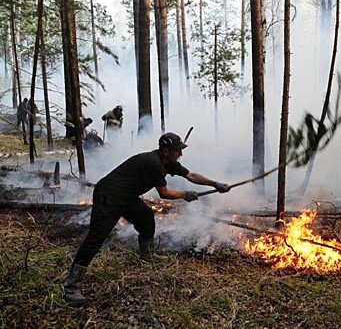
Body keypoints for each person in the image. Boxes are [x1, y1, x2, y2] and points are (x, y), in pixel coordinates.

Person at [63, 132, 230, 307]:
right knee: (96, 237)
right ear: (166, 151)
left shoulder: (169, 163)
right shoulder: (154, 163)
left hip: (126, 196)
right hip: (109, 196)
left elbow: (191, 175)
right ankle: (71, 286)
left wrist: (215, 184)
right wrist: (184, 194)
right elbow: (164, 193)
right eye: (177, 150)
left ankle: (147, 256)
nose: (180, 154)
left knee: (145, 217)